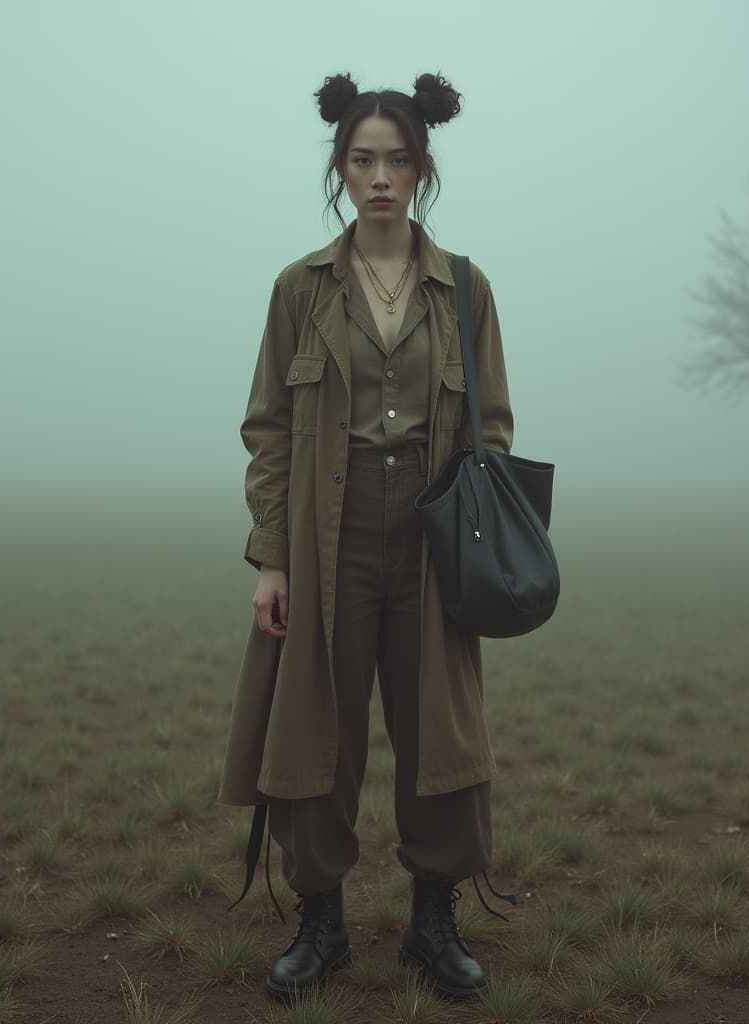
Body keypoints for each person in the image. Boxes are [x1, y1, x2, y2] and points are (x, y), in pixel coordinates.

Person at [217, 71, 515, 1002]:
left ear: (422, 167)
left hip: (433, 542)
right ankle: (322, 925)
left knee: (441, 730)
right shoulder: (298, 288)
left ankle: (434, 922)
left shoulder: (467, 287)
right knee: (319, 729)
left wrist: (475, 538)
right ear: (340, 168)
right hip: (326, 537)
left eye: (396, 158)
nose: (379, 176)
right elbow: (268, 427)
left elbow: (494, 427)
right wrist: (271, 556)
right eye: (361, 158)